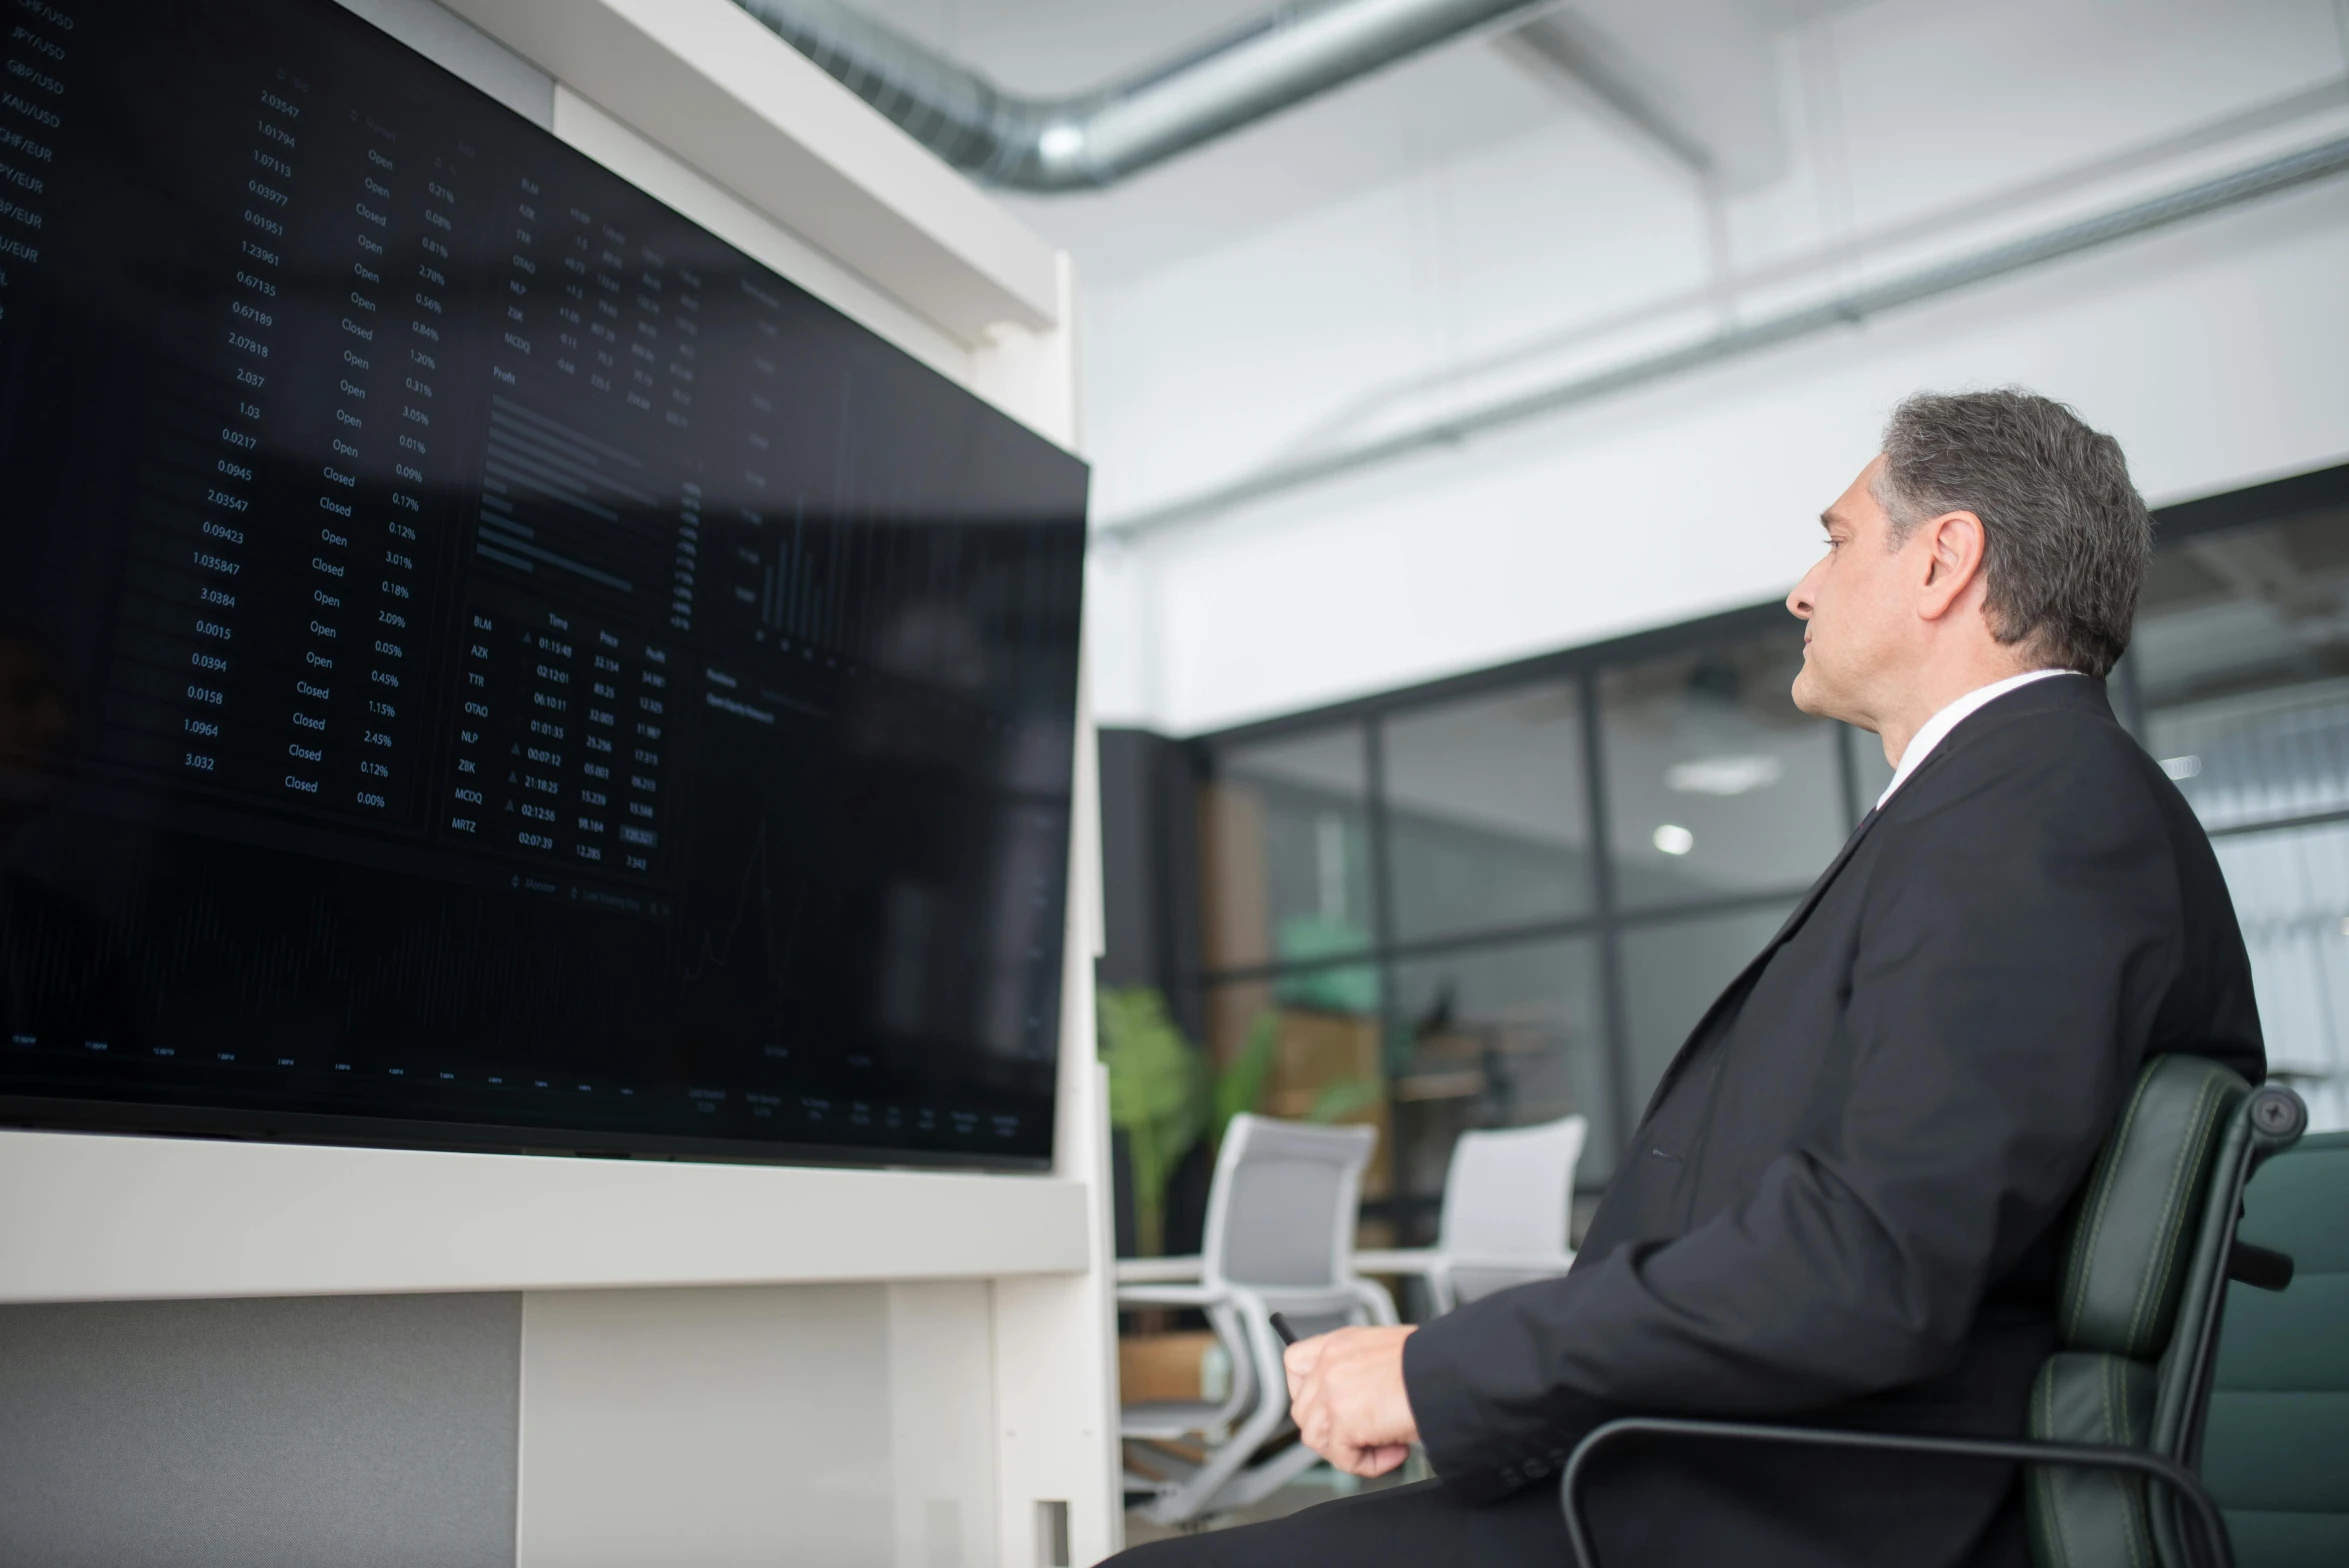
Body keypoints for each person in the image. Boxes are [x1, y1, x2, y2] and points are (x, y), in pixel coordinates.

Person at [1110, 389, 2264, 1567]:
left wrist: (1437, 1367)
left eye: (1836, 536)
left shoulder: (2035, 816)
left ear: (1945, 560)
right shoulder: (2010, 804)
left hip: (1797, 1504)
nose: (1802, 587)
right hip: (1742, 1465)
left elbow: (1865, 1261)